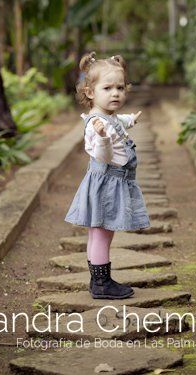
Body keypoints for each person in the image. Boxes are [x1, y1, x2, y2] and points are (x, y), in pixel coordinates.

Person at [64, 51, 151, 300]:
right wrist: (102, 139)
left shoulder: (107, 117)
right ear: (90, 92)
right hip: (107, 184)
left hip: (104, 182)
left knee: (98, 233)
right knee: (102, 233)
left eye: (120, 88)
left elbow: (117, 121)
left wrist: (130, 121)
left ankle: (98, 280)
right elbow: (101, 156)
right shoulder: (96, 125)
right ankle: (102, 284)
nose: (116, 93)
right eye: (108, 88)